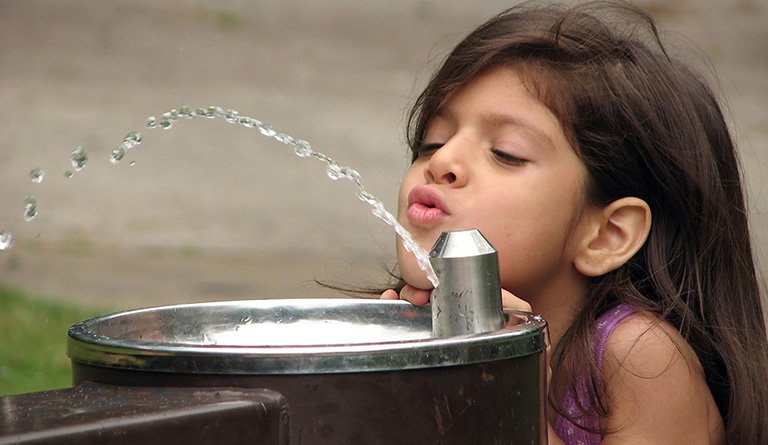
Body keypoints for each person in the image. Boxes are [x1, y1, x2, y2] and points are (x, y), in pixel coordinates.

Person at [377, 1, 768, 443]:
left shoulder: (638, 356)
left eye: (507, 152)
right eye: (431, 143)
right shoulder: (402, 327)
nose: (442, 161)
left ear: (607, 235)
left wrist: (509, 387)